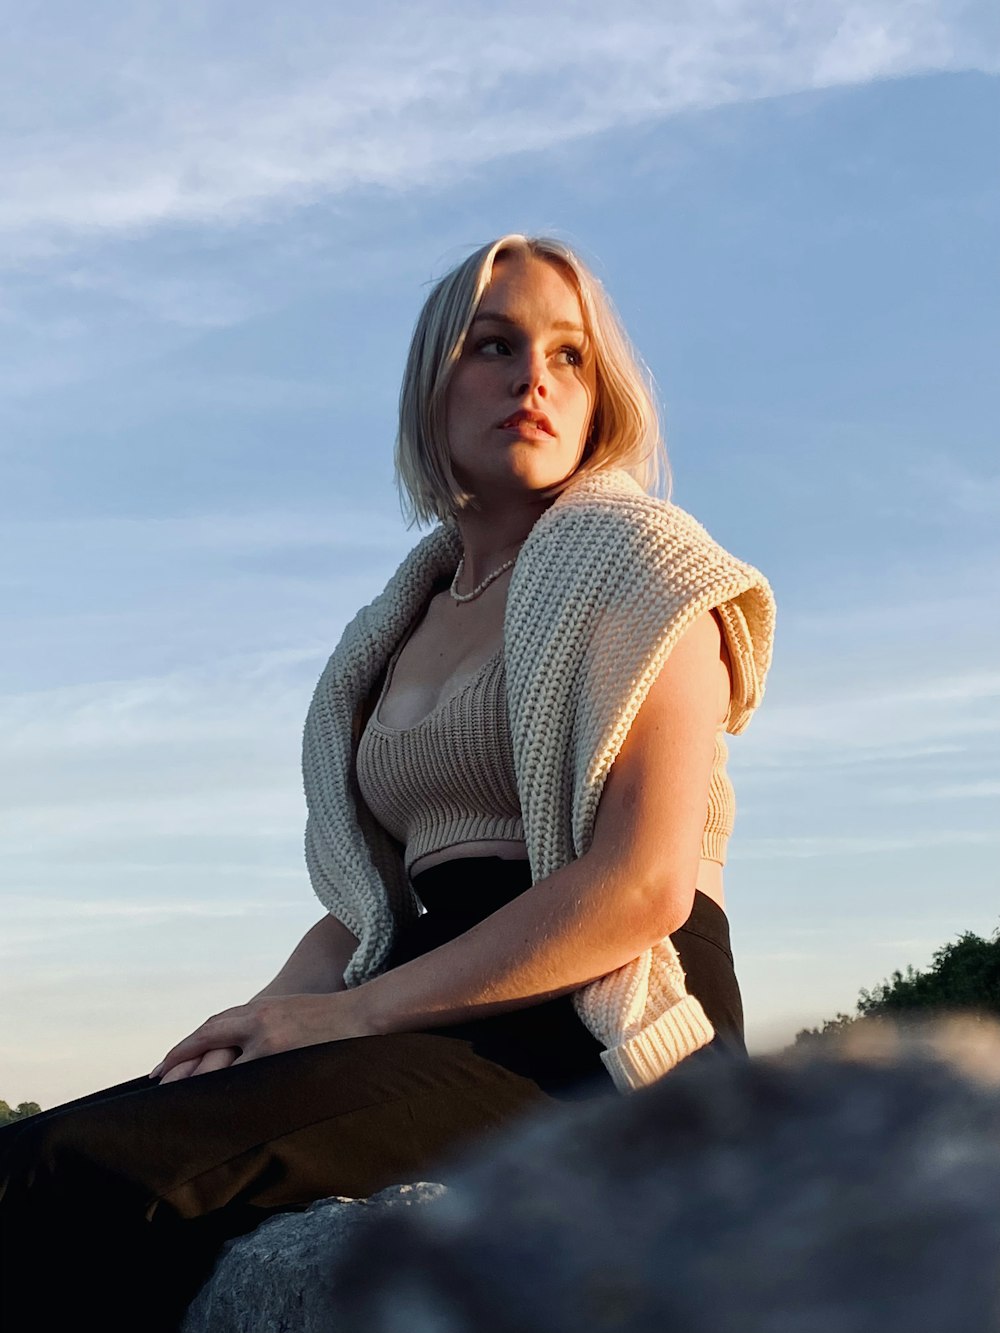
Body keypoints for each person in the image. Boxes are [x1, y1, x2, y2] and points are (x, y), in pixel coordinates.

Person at [0, 235, 775, 1331]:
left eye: (568, 356)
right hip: (417, 999)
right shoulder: (394, 623)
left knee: (92, 1182)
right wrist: (259, 1021)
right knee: (29, 1158)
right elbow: (371, 907)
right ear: (431, 383)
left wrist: (351, 1017)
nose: (532, 380)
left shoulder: (647, 561)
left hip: (589, 1021)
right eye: (493, 345)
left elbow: (640, 887)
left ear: (602, 395)